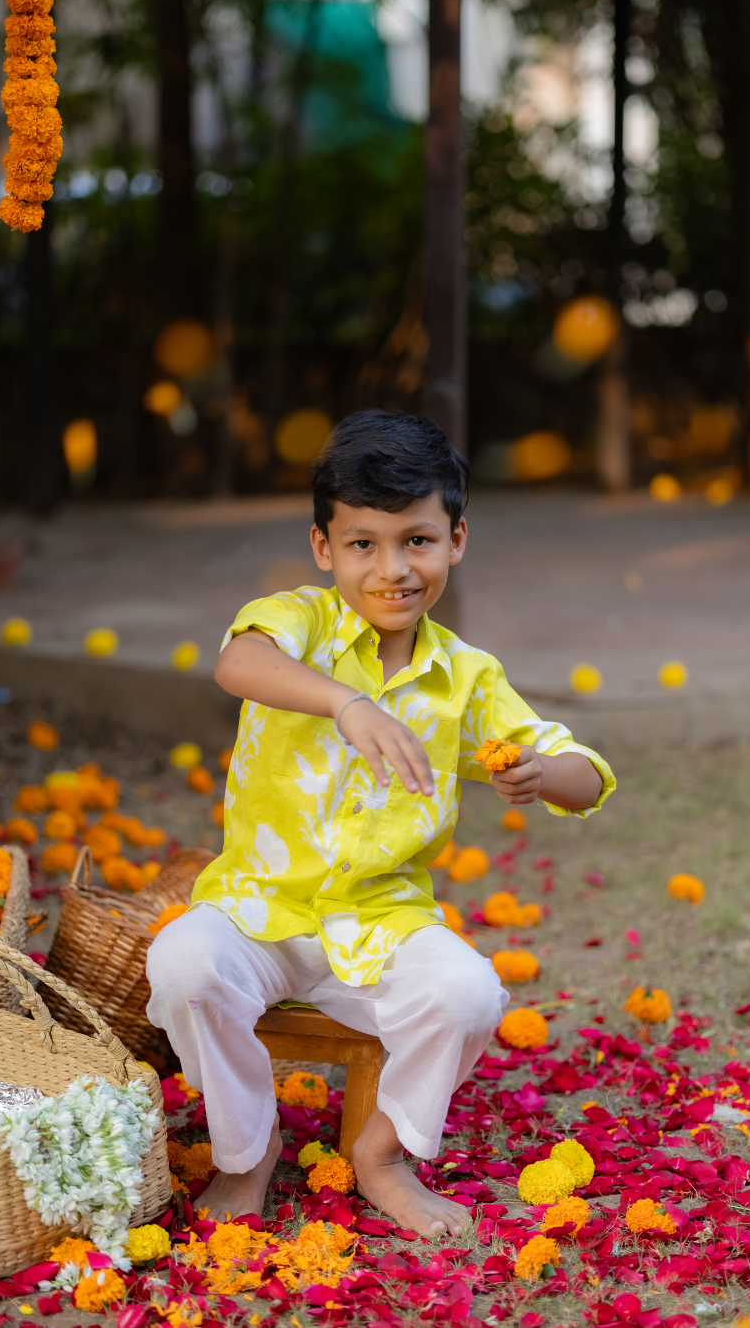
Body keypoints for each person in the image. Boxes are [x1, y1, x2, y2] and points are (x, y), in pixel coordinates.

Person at [147, 409, 615, 1236]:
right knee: (183, 962)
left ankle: (380, 1153)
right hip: (259, 912)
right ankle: (247, 1153)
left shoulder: (464, 678)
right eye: (363, 543)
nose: (392, 568)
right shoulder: (295, 623)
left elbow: (583, 773)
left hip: (382, 923)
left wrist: (545, 774)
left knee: (469, 992)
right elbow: (237, 663)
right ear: (324, 547)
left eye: (417, 541)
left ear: (456, 539)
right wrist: (348, 702)